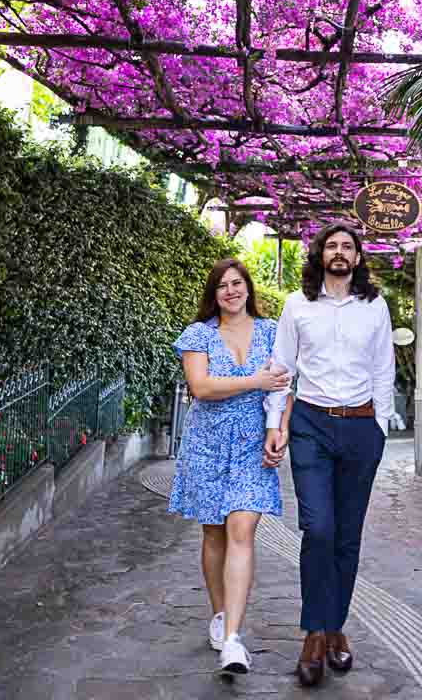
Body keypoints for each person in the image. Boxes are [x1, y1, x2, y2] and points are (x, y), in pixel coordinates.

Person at [263, 223, 394, 687]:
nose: (339, 252)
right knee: (318, 528)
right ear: (320, 254)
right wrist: (274, 424)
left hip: (361, 426)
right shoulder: (298, 305)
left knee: (347, 536)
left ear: (357, 257)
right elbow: (281, 368)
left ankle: (335, 626)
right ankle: (313, 633)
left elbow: (384, 369)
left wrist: (379, 428)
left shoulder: (374, 306)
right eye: (332, 245)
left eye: (348, 246)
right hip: (312, 426)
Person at [168, 258, 291, 680]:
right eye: (222, 286)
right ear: (213, 293)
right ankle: (219, 614)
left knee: (242, 531)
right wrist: (254, 382)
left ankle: (234, 638)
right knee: (214, 532)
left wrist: (281, 428)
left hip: (252, 449)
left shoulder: (273, 331)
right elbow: (200, 387)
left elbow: (285, 385)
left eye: (237, 283)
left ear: (248, 288)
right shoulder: (198, 334)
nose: (231, 291)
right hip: (205, 446)